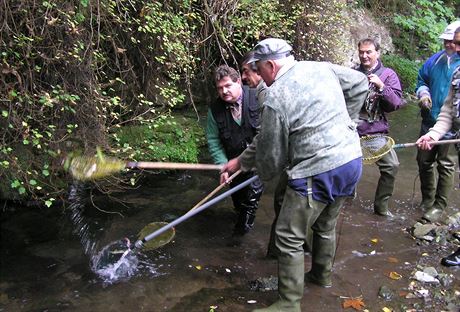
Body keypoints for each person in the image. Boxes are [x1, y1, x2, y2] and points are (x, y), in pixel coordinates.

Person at [221, 38, 368, 312]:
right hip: (351, 159)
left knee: (288, 236)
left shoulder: (276, 96)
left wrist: (261, 172)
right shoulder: (319, 67)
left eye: (259, 70)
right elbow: (360, 82)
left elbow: (272, 158)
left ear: (270, 65)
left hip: (318, 169)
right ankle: (321, 277)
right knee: (324, 225)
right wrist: (240, 161)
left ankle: (289, 303)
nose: (260, 78)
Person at [416, 26, 460, 267]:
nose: (451, 45)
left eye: (454, 42)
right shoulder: (436, 61)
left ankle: (440, 207)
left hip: (454, 132)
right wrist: (423, 93)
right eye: (448, 41)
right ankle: (427, 200)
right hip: (433, 121)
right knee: (423, 161)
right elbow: (421, 79)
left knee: (445, 164)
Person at [206, 64, 264, 237]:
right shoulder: (214, 111)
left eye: (228, 85)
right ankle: (241, 224)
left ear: (238, 81)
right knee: (238, 202)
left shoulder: (258, 96)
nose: (224, 91)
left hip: (257, 162)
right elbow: (214, 141)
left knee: (250, 200)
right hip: (233, 165)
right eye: (220, 88)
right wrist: (223, 166)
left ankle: (237, 242)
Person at [354, 38, 404, 217]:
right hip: (351, 130)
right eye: (361, 52)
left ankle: (381, 207)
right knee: (346, 168)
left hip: (376, 131)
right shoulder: (351, 73)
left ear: (377, 53)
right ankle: (343, 201)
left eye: (369, 52)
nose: (364, 55)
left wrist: (382, 87)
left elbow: (396, 104)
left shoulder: (388, 74)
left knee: (392, 165)